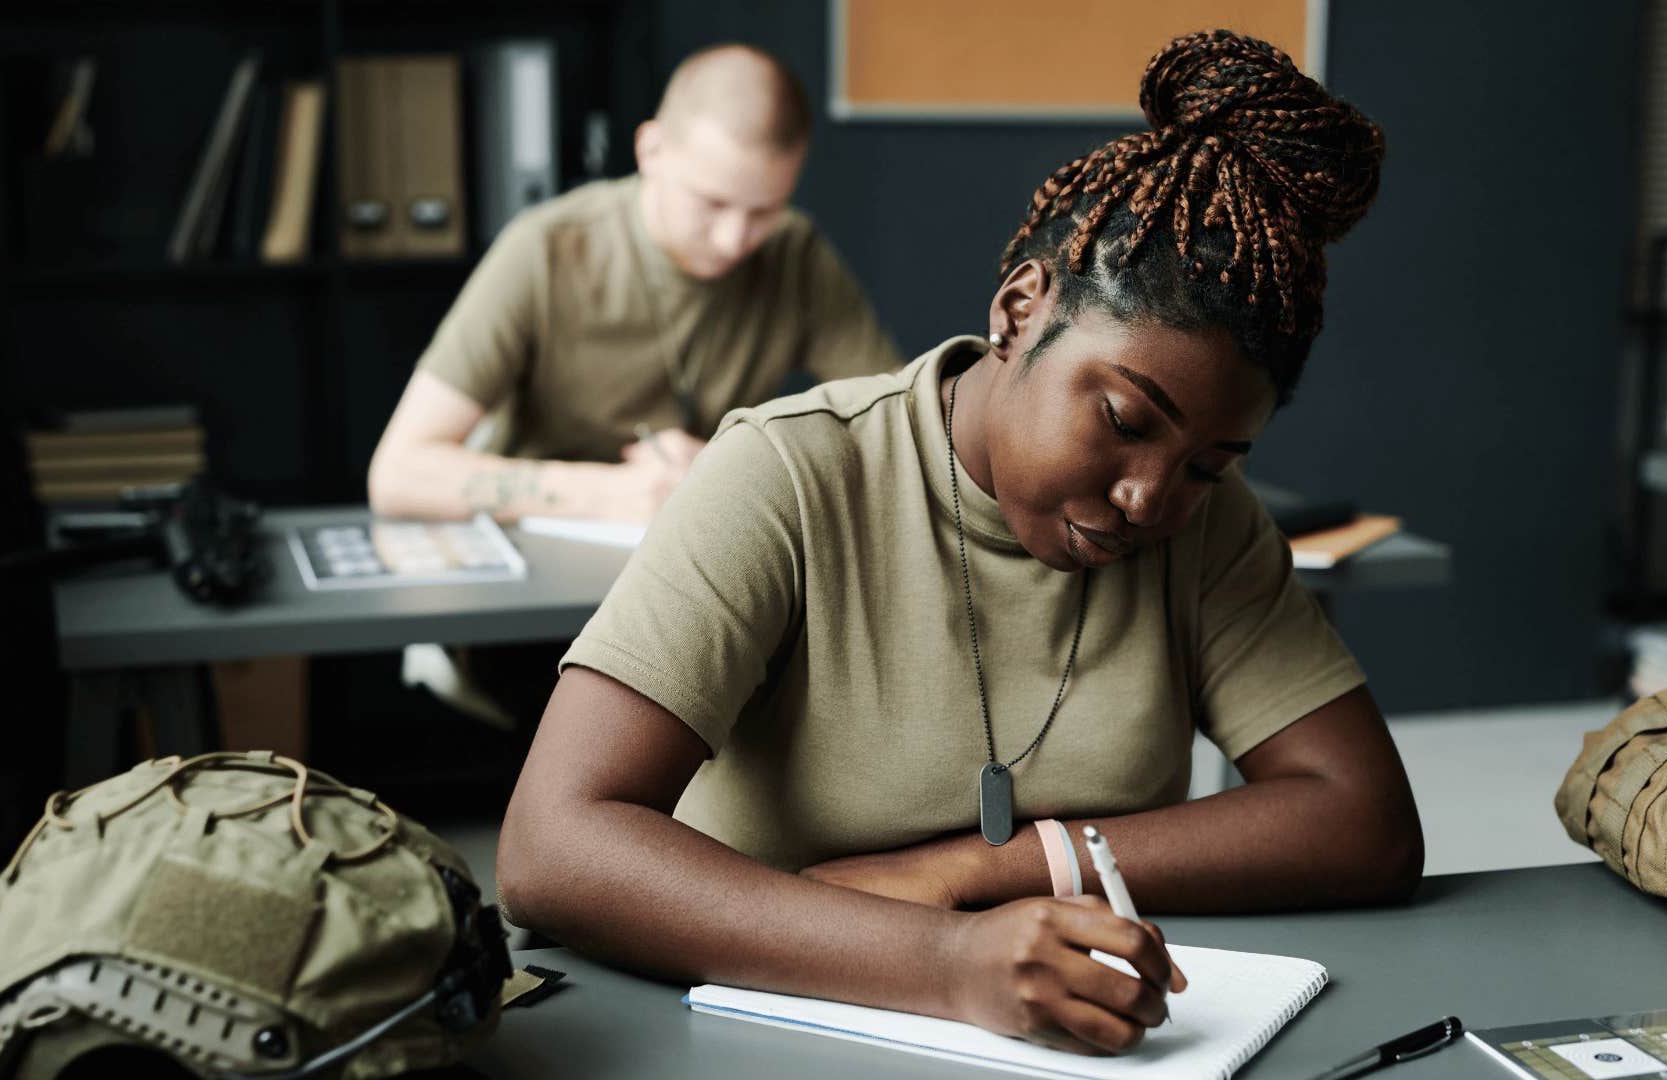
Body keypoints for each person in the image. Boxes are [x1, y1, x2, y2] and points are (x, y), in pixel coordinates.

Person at [496, 29, 1424, 1056]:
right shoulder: (790, 475)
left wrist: (995, 869)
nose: (1151, 497)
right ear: (1020, 310)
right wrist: (940, 961)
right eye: (1123, 419)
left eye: (1210, 462)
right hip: (749, 1037)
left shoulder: (1210, 526)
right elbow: (553, 846)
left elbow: (1366, 822)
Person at [367, 43, 902, 526]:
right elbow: (397, 473)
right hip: (538, 578)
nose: (734, 238)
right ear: (650, 151)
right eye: (711, 203)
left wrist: (733, 467)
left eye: (765, 210)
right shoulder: (546, 249)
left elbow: (900, 437)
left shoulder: (795, 252)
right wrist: (610, 494)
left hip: (700, 568)